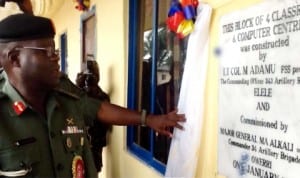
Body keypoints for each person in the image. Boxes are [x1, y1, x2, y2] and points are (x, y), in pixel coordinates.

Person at [0, 14, 185, 178]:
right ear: (15, 58)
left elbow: (99, 109)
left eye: (55, 51)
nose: (56, 58)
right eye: (47, 51)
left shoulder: (63, 92)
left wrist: (149, 119)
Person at [75, 59, 111, 173]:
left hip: (95, 143)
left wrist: (93, 93)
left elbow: (105, 122)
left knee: (94, 170)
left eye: (92, 75)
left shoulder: (102, 97)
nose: (89, 80)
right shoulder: (78, 94)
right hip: (78, 143)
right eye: (87, 75)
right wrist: (77, 86)